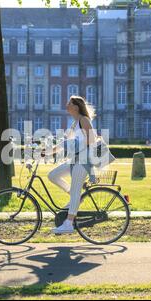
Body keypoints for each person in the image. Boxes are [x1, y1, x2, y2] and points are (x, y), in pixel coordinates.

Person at [45, 96, 98, 235]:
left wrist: (74, 145)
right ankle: (75, 198)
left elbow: (92, 140)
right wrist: (47, 151)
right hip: (75, 160)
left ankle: (68, 223)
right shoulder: (75, 123)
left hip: (84, 161)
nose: (66, 105)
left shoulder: (84, 120)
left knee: (75, 191)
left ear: (76, 106)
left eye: (69, 103)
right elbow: (64, 142)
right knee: (53, 175)